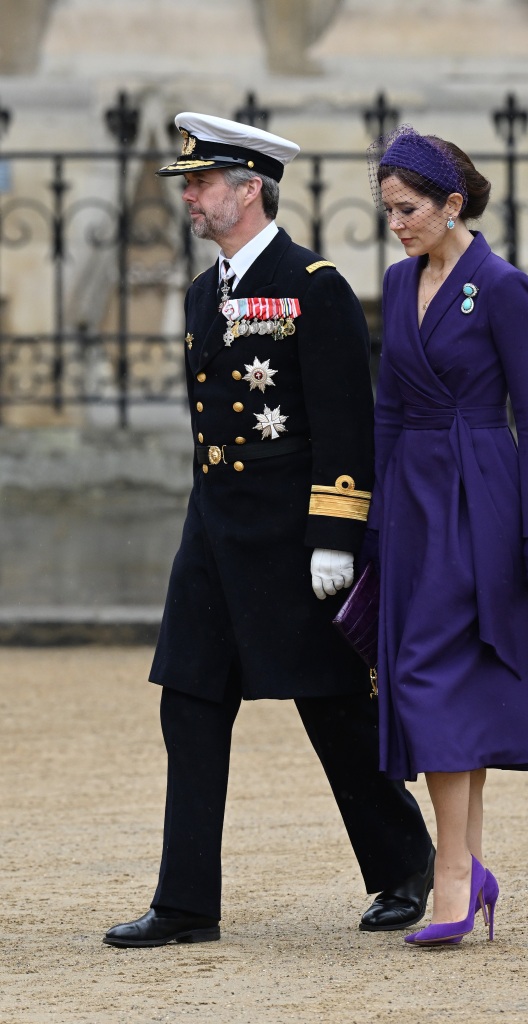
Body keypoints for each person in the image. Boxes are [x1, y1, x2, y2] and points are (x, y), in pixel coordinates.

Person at [103, 114, 434, 948]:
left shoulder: (311, 283)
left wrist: (336, 532)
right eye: (187, 183)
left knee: (330, 705)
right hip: (212, 534)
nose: (189, 196)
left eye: (203, 183)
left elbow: (343, 424)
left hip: (294, 542)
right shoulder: (198, 291)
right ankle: (185, 904)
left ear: (249, 188)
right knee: (189, 702)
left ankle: (403, 866)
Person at [365, 126, 528, 947]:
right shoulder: (393, 279)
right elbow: (384, 405)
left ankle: (452, 875)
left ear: (453, 204)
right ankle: (470, 864)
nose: (396, 224)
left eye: (408, 209)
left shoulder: (504, 285)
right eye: (385, 210)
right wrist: (374, 519)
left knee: (432, 677)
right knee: (446, 678)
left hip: (480, 494)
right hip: (411, 501)